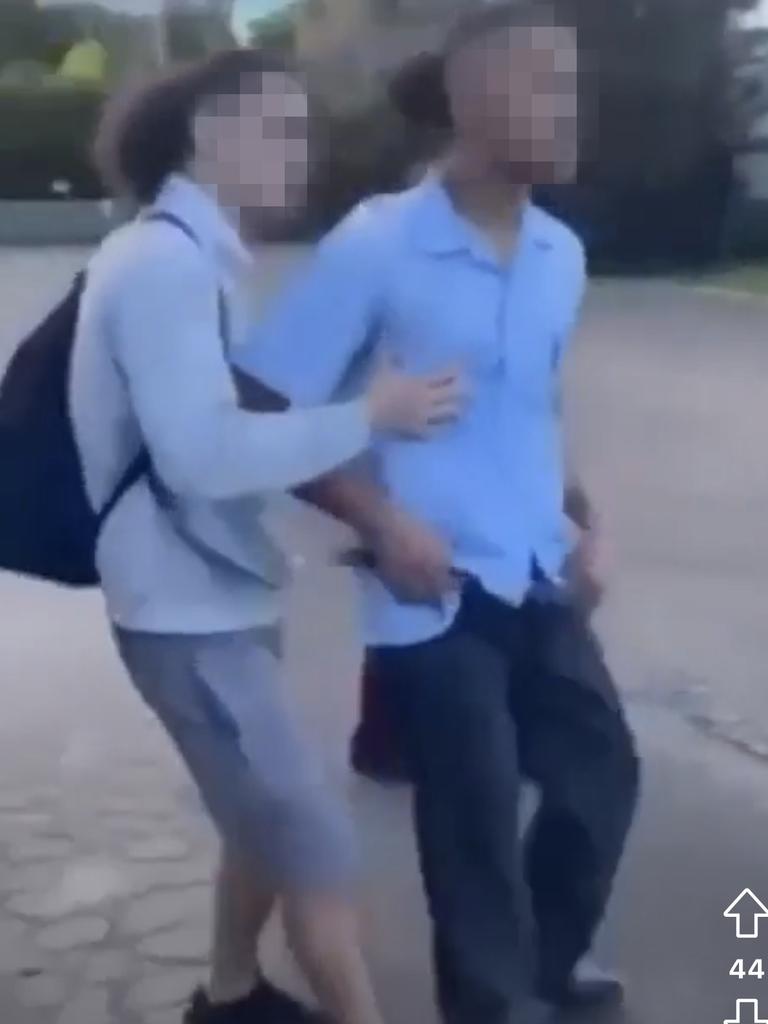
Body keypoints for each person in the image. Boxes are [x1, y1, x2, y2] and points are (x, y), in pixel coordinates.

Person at [236, 4, 640, 1023]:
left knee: (600, 776)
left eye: (570, 84)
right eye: (541, 83)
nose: (568, 108)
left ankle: (543, 968)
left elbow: (537, 404)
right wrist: (380, 522)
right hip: (430, 593)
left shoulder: (559, 252)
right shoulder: (380, 243)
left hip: (538, 573)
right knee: (474, 832)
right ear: (469, 97)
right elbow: (265, 407)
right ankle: (497, 1006)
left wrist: (589, 519)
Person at [73, 48, 464, 1024]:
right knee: (315, 848)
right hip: (186, 615)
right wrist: (371, 414)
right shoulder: (165, 265)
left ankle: (231, 993)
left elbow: (218, 434)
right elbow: (203, 455)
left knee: (259, 821)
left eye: (304, 133)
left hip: (216, 595)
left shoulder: (186, 255)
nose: (302, 154)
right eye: (281, 132)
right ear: (210, 135)